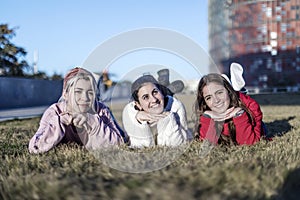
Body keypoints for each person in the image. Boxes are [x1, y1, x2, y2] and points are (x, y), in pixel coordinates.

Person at [28, 67, 126, 154]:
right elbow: (35, 147)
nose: (85, 98)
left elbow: (120, 143)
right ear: (65, 94)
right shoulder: (54, 112)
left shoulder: (101, 110)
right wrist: (59, 122)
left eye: (90, 92)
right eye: (78, 92)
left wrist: (93, 123)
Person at [194, 73, 266, 146]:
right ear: (205, 102)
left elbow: (249, 143)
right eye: (209, 97)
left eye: (219, 93)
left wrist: (239, 114)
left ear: (228, 91)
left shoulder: (250, 106)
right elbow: (208, 145)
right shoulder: (205, 113)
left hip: (255, 124)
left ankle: (240, 90)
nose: (216, 100)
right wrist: (208, 116)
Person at [122, 74, 192, 148]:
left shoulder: (176, 106)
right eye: (145, 97)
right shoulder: (130, 113)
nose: (154, 100)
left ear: (161, 92)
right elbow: (141, 146)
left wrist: (169, 118)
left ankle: (166, 90)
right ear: (138, 104)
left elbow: (179, 144)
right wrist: (140, 122)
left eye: (155, 92)